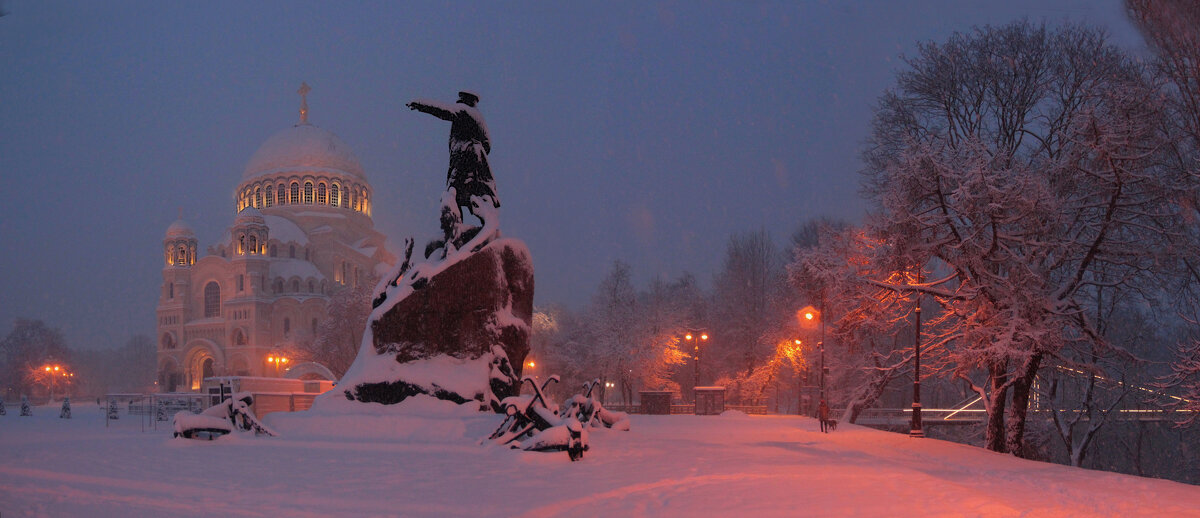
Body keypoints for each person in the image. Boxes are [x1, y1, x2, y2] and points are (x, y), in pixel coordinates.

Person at [407, 91, 499, 254]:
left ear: (465, 100)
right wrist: (477, 151)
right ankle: (469, 229)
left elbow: (443, 111)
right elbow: (488, 144)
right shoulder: (479, 117)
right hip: (472, 160)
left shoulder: (464, 111)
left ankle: (455, 233)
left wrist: (420, 104)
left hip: (463, 159)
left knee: (453, 194)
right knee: (467, 195)